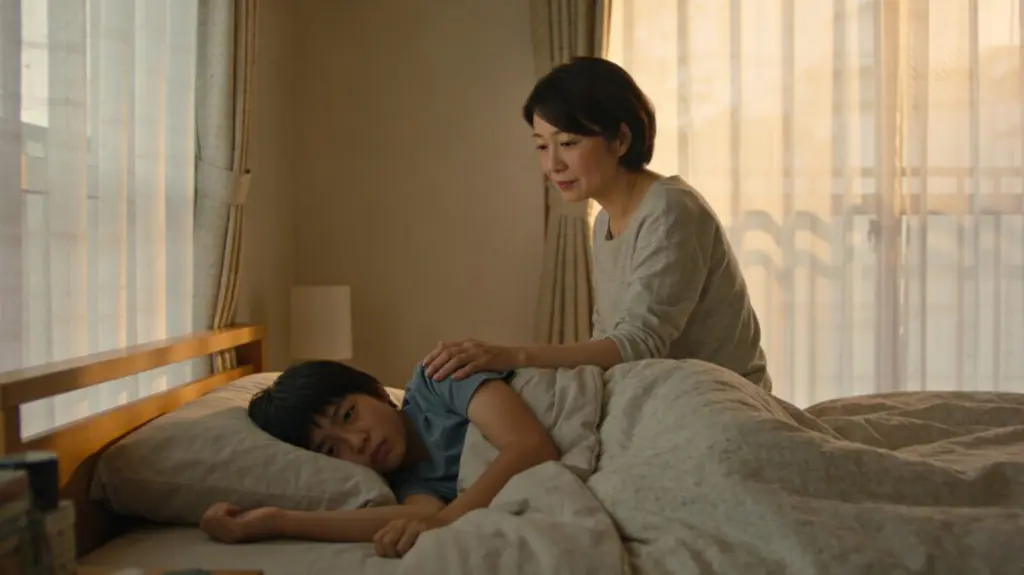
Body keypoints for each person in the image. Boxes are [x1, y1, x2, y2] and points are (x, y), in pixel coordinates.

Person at [422, 56, 772, 392]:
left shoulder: (670, 210)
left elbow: (639, 343)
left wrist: (513, 356)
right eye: (541, 147)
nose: (553, 165)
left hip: (719, 396)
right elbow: (608, 339)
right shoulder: (604, 220)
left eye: (568, 143)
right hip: (655, 388)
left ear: (620, 139)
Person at [198, 360, 559, 558]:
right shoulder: (407, 483)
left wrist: (446, 519)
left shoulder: (437, 380)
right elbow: (420, 516)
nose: (357, 442)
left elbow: (530, 445)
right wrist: (276, 521)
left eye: (348, 414)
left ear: (375, 391)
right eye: (332, 449)